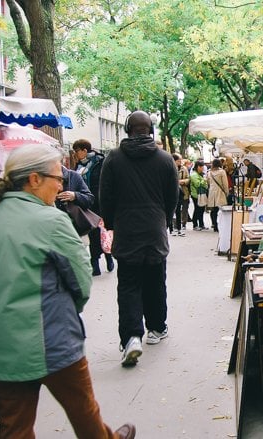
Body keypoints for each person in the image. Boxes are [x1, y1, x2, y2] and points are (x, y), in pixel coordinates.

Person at [0, 144, 135, 438]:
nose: (61, 185)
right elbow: (81, 281)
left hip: (0, 345)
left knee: (15, 426)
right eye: (57, 178)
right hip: (52, 340)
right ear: (34, 179)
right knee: (83, 411)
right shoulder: (51, 221)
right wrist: (66, 309)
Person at [99, 110, 179, 367]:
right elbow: (173, 196)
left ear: (127, 129)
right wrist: (165, 219)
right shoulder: (165, 159)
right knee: (156, 281)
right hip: (155, 229)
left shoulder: (113, 159)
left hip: (127, 229)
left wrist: (111, 223)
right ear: (151, 130)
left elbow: (106, 195)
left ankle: (132, 337)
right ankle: (156, 327)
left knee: (129, 285)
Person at [73, 139, 114, 275]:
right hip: (86, 204)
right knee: (92, 233)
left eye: (77, 151)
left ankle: (108, 257)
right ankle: (95, 263)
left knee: (102, 232)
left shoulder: (100, 163)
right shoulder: (78, 167)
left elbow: (107, 183)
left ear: (85, 150)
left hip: (100, 203)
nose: (75, 154)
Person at [206, 158, 229, 233]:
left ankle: (214, 225)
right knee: (221, 209)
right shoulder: (222, 172)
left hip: (212, 192)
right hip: (220, 192)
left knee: (213, 210)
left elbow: (208, 183)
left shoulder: (209, 172)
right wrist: (226, 192)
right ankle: (220, 224)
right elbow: (225, 183)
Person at [168, 153, 187, 237]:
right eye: (178, 161)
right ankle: (171, 229)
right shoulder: (169, 168)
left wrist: (182, 181)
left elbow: (188, 178)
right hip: (171, 191)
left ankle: (178, 229)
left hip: (179, 191)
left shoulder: (183, 168)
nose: (180, 162)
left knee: (178, 210)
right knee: (171, 210)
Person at [189, 160, 208, 231]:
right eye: (201, 167)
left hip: (201, 194)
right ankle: (195, 225)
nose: (203, 168)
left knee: (201, 210)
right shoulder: (194, 175)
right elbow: (198, 184)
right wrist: (204, 180)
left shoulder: (200, 174)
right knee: (197, 209)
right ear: (198, 167)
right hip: (196, 195)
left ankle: (201, 224)